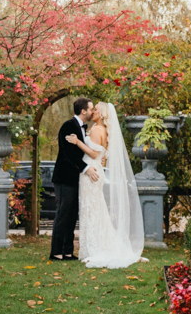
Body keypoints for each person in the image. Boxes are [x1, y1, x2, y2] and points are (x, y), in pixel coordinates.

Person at [65, 101, 146, 267]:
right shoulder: (104, 131)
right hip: (96, 171)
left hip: (91, 173)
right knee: (96, 209)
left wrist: (77, 142)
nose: (93, 111)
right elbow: (103, 153)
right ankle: (95, 246)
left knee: (90, 209)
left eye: (95, 109)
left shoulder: (95, 129)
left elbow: (94, 153)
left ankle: (94, 249)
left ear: (101, 114)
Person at [49, 97, 96, 261]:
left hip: (75, 179)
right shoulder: (68, 126)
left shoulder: (83, 128)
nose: (93, 112)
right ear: (83, 111)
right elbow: (68, 154)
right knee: (63, 213)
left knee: (71, 215)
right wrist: (86, 169)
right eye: (91, 109)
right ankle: (56, 252)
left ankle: (68, 252)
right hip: (64, 178)